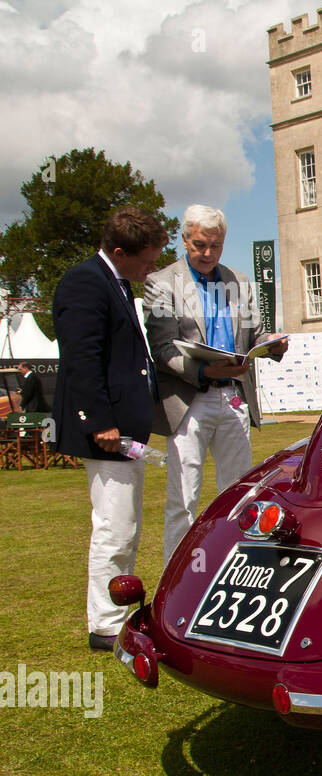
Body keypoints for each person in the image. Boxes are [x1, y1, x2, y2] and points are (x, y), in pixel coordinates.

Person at [51, 207, 168, 651]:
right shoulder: (86, 282)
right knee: (115, 525)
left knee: (125, 522)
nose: (151, 268)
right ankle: (105, 621)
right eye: (147, 259)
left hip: (123, 427)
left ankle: (115, 610)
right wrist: (100, 422)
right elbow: (81, 359)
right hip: (106, 429)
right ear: (120, 251)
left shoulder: (114, 282)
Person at [145, 205, 288, 562]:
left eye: (216, 246)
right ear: (184, 239)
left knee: (241, 494)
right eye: (199, 245)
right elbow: (162, 349)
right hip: (189, 400)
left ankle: (239, 567)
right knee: (183, 498)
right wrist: (203, 373)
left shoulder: (239, 281)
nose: (207, 253)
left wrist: (272, 343)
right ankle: (174, 581)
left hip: (234, 399)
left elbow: (253, 334)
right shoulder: (161, 283)